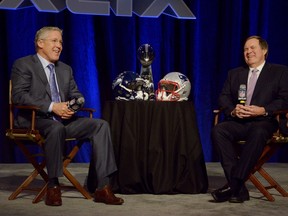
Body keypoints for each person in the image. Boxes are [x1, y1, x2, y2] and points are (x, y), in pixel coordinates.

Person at [11, 26, 124, 206]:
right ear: (40, 43)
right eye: (54, 41)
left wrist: (74, 104)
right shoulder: (24, 65)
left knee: (100, 125)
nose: (59, 46)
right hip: (35, 120)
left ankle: (103, 187)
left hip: (64, 120)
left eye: (61, 42)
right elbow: (19, 96)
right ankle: (53, 185)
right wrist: (52, 107)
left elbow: (76, 94)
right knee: (55, 128)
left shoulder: (65, 69)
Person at [211, 36, 288, 203]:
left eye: (252, 48)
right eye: (245, 49)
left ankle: (235, 184)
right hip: (239, 122)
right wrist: (233, 111)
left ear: (264, 51)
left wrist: (263, 110)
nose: (248, 52)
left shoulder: (280, 72)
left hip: (264, 122)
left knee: (259, 131)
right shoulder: (235, 73)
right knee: (219, 130)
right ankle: (238, 188)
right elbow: (223, 97)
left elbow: (285, 99)